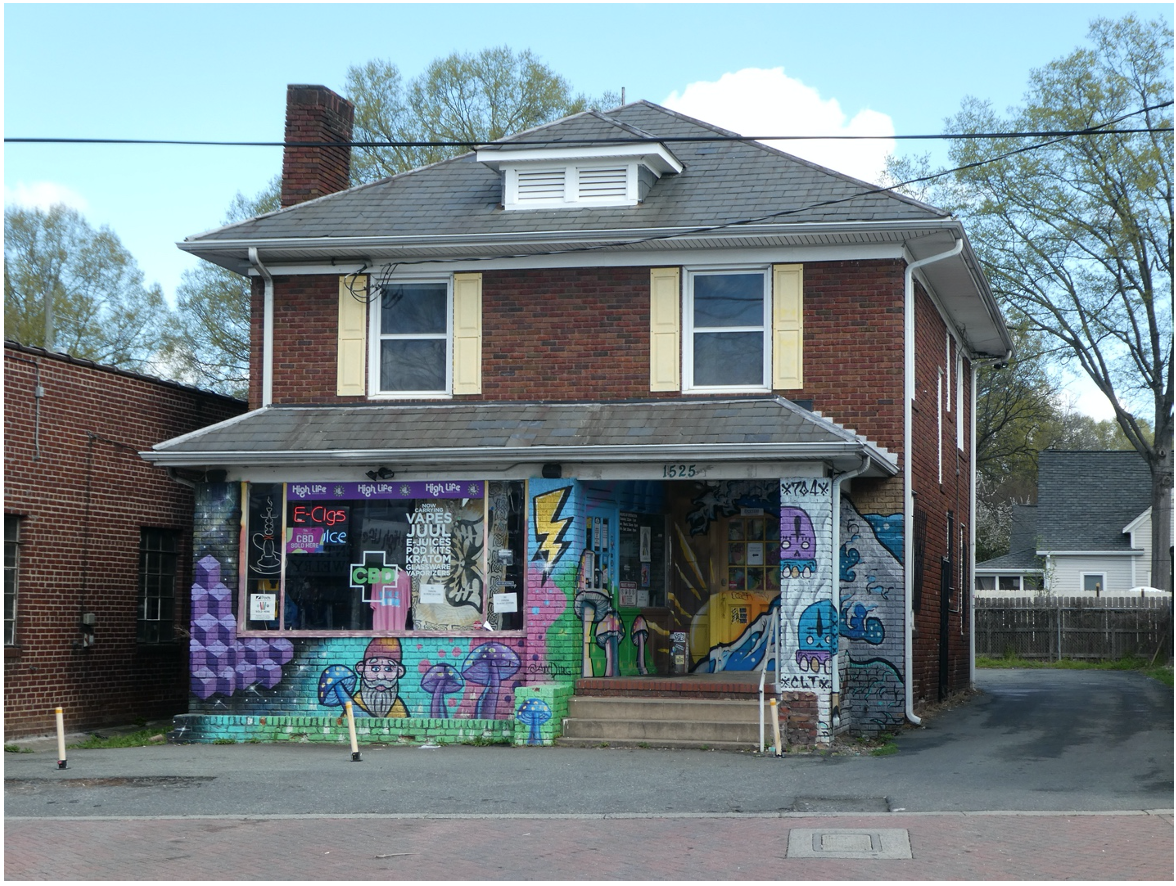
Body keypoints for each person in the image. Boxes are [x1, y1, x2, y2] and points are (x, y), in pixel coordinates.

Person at [352, 637, 408, 717]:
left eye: (388, 669)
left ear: (399, 671)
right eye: (375, 668)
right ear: (361, 668)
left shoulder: (398, 707)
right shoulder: (356, 702)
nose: (381, 677)